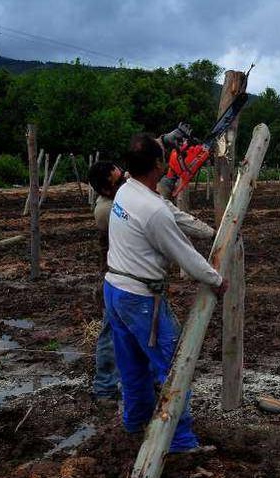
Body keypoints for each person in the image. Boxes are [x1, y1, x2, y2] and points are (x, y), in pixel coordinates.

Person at [104, 134, 227, 453]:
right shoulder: (152, 211)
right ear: (159, 164)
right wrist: (216, 279)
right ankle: (181, 441)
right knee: (173, 368)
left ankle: (135, 424)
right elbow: (183, 253)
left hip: (114, 290)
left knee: (131, 366)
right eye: (165, 156)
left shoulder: (128, 191)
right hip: (140, 300)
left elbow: (170, 211)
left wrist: (213, 231)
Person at [87, 160, 215, 406]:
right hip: (130, 283)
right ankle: (112, 388)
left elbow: (159, 200)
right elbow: (180, 248)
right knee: (142, 341)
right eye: (119, 179)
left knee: (135, 342)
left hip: (128, 282)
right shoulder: (109, 208)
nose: (125, 178)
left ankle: (138, 398)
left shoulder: (126, 193)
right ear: (106, 190)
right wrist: (214, 278)